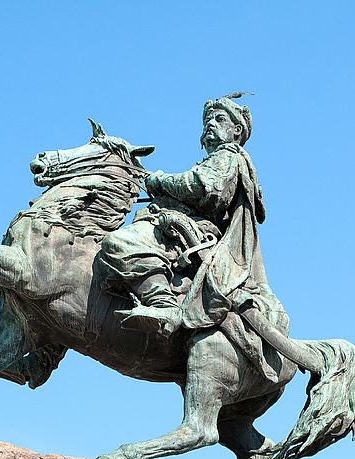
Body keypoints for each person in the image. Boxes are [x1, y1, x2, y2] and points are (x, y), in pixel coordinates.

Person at [98, 93, 273, 340]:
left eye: (219, 119)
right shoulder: (215, 158)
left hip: (193, 232)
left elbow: (206, 188)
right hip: (179, 224)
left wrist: (160, 180)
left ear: (236, 130)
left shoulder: (229, 156)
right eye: (207, 121)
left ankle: (164, 306)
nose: (210, 124)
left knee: (120, 243)